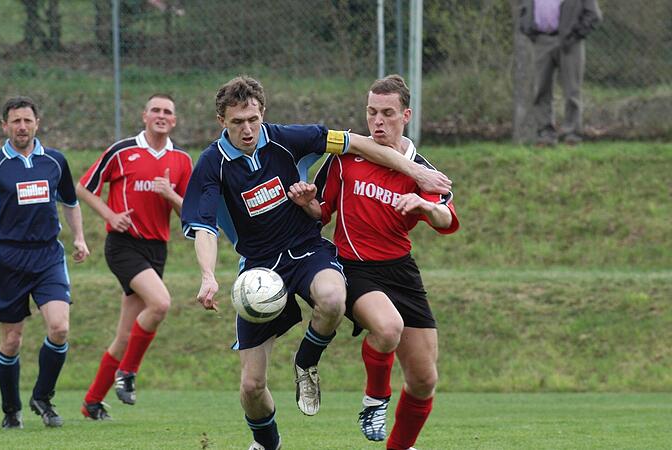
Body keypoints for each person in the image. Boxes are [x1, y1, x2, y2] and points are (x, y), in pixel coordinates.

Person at [180, 76, 451, 450]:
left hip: (307, 249)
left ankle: (306, 361)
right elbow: (204, 226)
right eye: (237, 122)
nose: (247, 129)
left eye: (253, 119)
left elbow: (356, 142)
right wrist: (208, 275)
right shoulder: (213, 164)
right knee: (251, 387)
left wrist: (416, 171)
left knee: (333, 298)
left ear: (263, 114)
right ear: (221, 121)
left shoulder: (289, 138)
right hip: (260, 268)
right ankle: (267, 444)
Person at [288, 74, 459, 449]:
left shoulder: (419, 168)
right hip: (354, 268)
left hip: (401, 270)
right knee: (387, 328)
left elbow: (449, 219)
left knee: (424, 380)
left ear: (406, 115)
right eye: (371, 112)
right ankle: (373, 401)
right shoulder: (346, 157)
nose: (377, 121)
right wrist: (306, 203)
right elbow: (323, 212)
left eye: (387, 113)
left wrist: (425, 206)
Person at [0, 96, 90, 429]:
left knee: (60, 327)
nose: (22, 126)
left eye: (27, 120)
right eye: (15, 121)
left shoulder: (55, 162)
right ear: (4, 126)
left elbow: (70, 202)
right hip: (8, 258)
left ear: (37, 123)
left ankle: (43, 397)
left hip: (48, 255)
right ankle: (11, 410)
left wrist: (79, 237)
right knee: (12, 340)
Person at [77, 94, 192, 420]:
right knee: (161, 303)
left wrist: (171, 195)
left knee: (124, 335)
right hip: (123, 245)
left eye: (167, 111)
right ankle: (127, 373)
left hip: (157, 250)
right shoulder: (122, 150)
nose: (161, 115)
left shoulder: (181, 160)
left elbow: (192, 213)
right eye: (155, 110)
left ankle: (91, 403)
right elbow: (84, 188)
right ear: (144, 116)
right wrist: (111, 216)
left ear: (174, 120)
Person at [519, 0, 602, 146]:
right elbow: (525, 9)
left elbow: (593, 14)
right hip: (541, 40)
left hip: (571, 43)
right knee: (541, 90)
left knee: (572, 91)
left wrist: (575, 35)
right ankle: (545, 134)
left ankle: (572, 134)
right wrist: (527, 27)